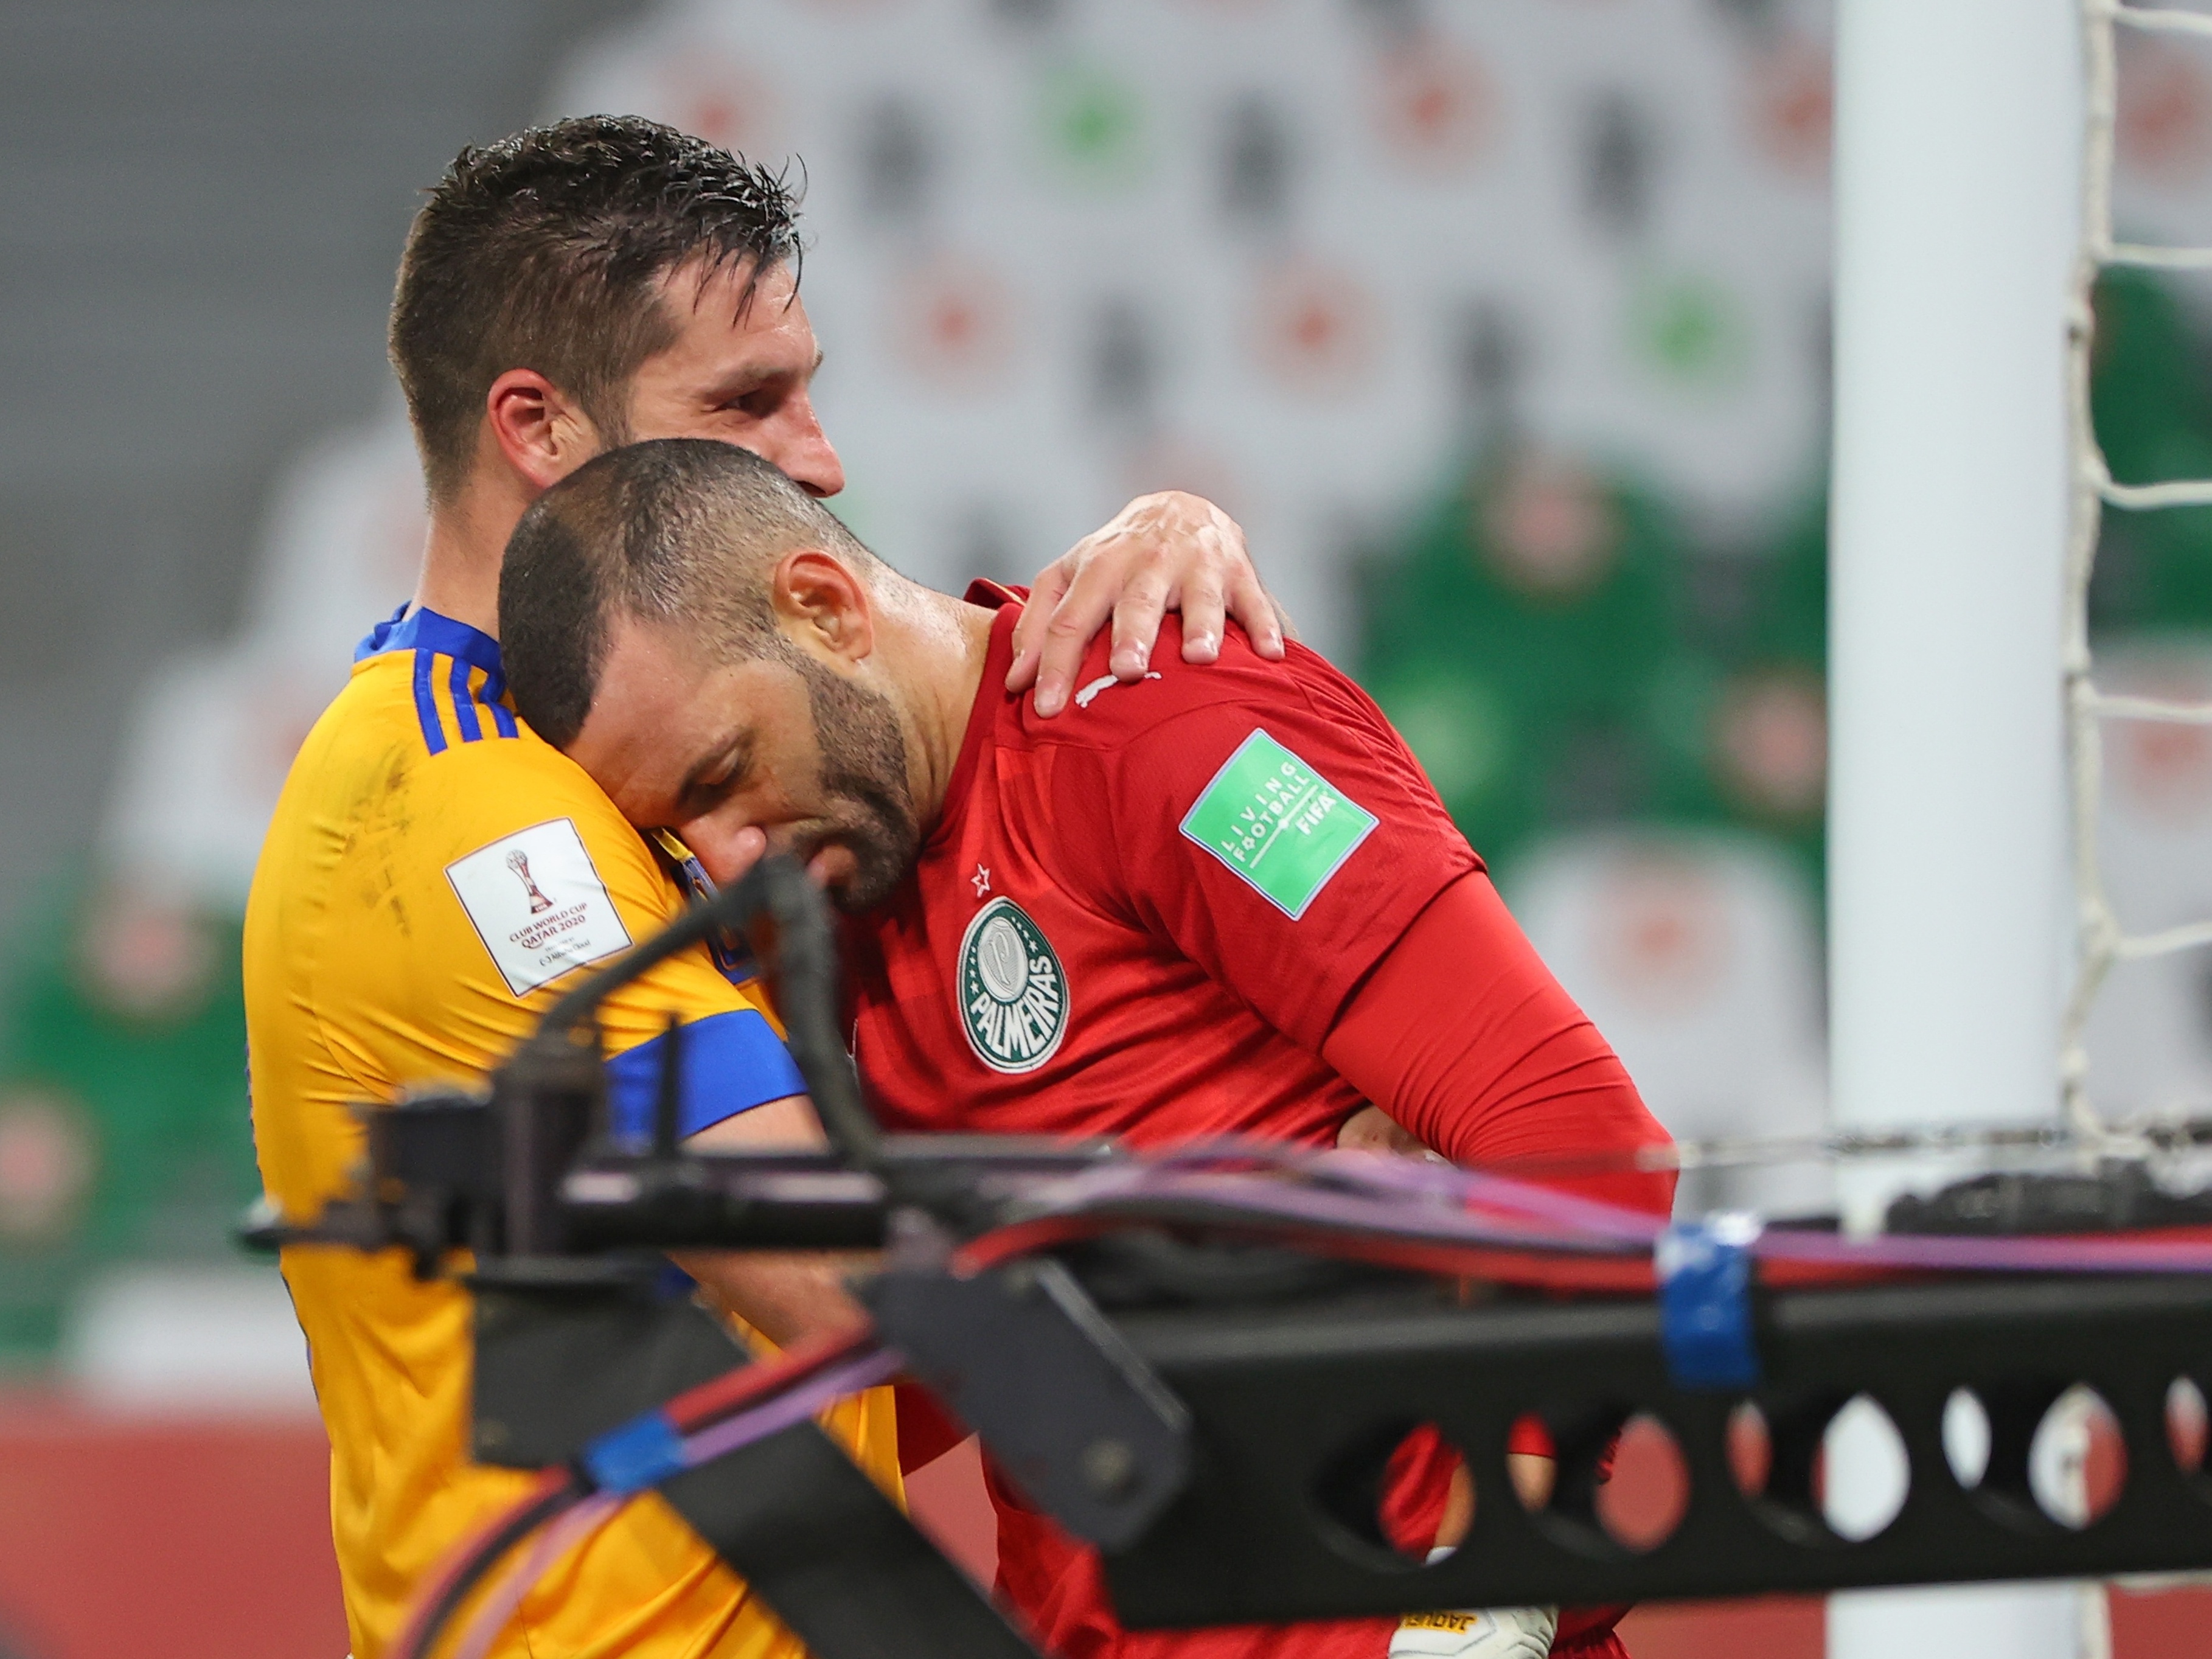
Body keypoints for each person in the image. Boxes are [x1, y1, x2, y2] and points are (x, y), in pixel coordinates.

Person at [245, 116, 1288, 1659]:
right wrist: (1281, 1201)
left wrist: (1165, 529)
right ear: (538, 427)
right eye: (748, 401)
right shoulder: (474, 815)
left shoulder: (656, 756)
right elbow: (843, 1290)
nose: (819, 454)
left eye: (807, 386)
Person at [495, 437, 1678, 1659]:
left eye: (726, 773)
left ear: (824, 605)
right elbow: (945, 1380)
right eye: (684, 830)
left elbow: (1577, 1132)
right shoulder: (853, 901)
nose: (731, 855)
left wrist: (1472, 1609)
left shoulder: (1164, 728)